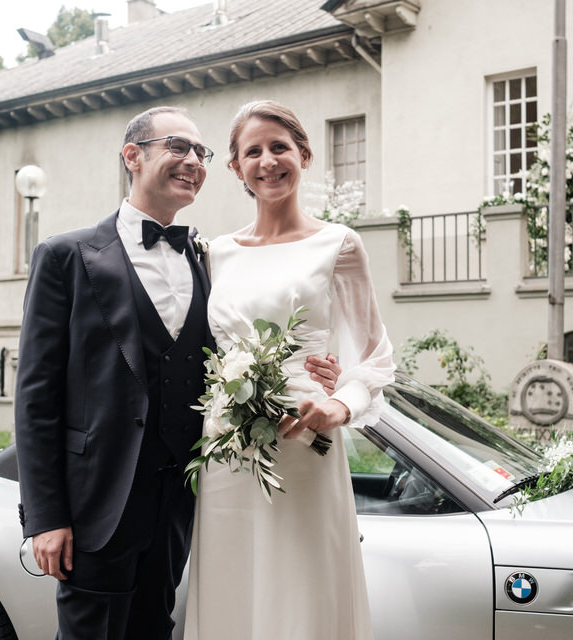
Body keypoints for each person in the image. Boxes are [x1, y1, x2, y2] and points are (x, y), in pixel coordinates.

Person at [14, 105, 340, 640]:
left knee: (155, 628)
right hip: (96, 505)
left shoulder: (207, 258)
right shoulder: (65, 256)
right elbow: (35, 397)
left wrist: (319, 372)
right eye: (178, 147)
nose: (193, 161)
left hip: (181, 502)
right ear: (132, 156)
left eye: (201, 152)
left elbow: (244, 342)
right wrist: (46, 516)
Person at [184, 100, 395, 640]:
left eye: (279, 147)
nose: (268, 161)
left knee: (300, 588)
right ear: (236, 167)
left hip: (304, 444)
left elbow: (374, 358)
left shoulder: (338, 244)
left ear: (304, 155)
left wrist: (337, 405)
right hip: (226, 451)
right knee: (232, 586)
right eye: (252, 151)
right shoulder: (215, 253)